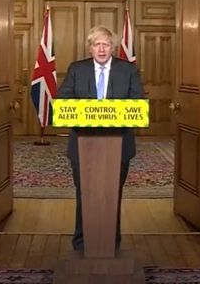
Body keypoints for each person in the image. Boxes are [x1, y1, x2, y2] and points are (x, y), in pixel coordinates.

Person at [57, 25, 144, 251]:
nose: (102, 49)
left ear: (113, 47)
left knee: (112, 194)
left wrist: (111, 114)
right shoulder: (77, 69)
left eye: (106, 44)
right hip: (82, 145)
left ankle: (111, 242)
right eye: (97, 44)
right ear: (90, 48)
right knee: (84, 193)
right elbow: (63, 101)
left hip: (119, 145)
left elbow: (138, 103)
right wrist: (89, 114)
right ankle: (81, 242)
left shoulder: (128, 70)